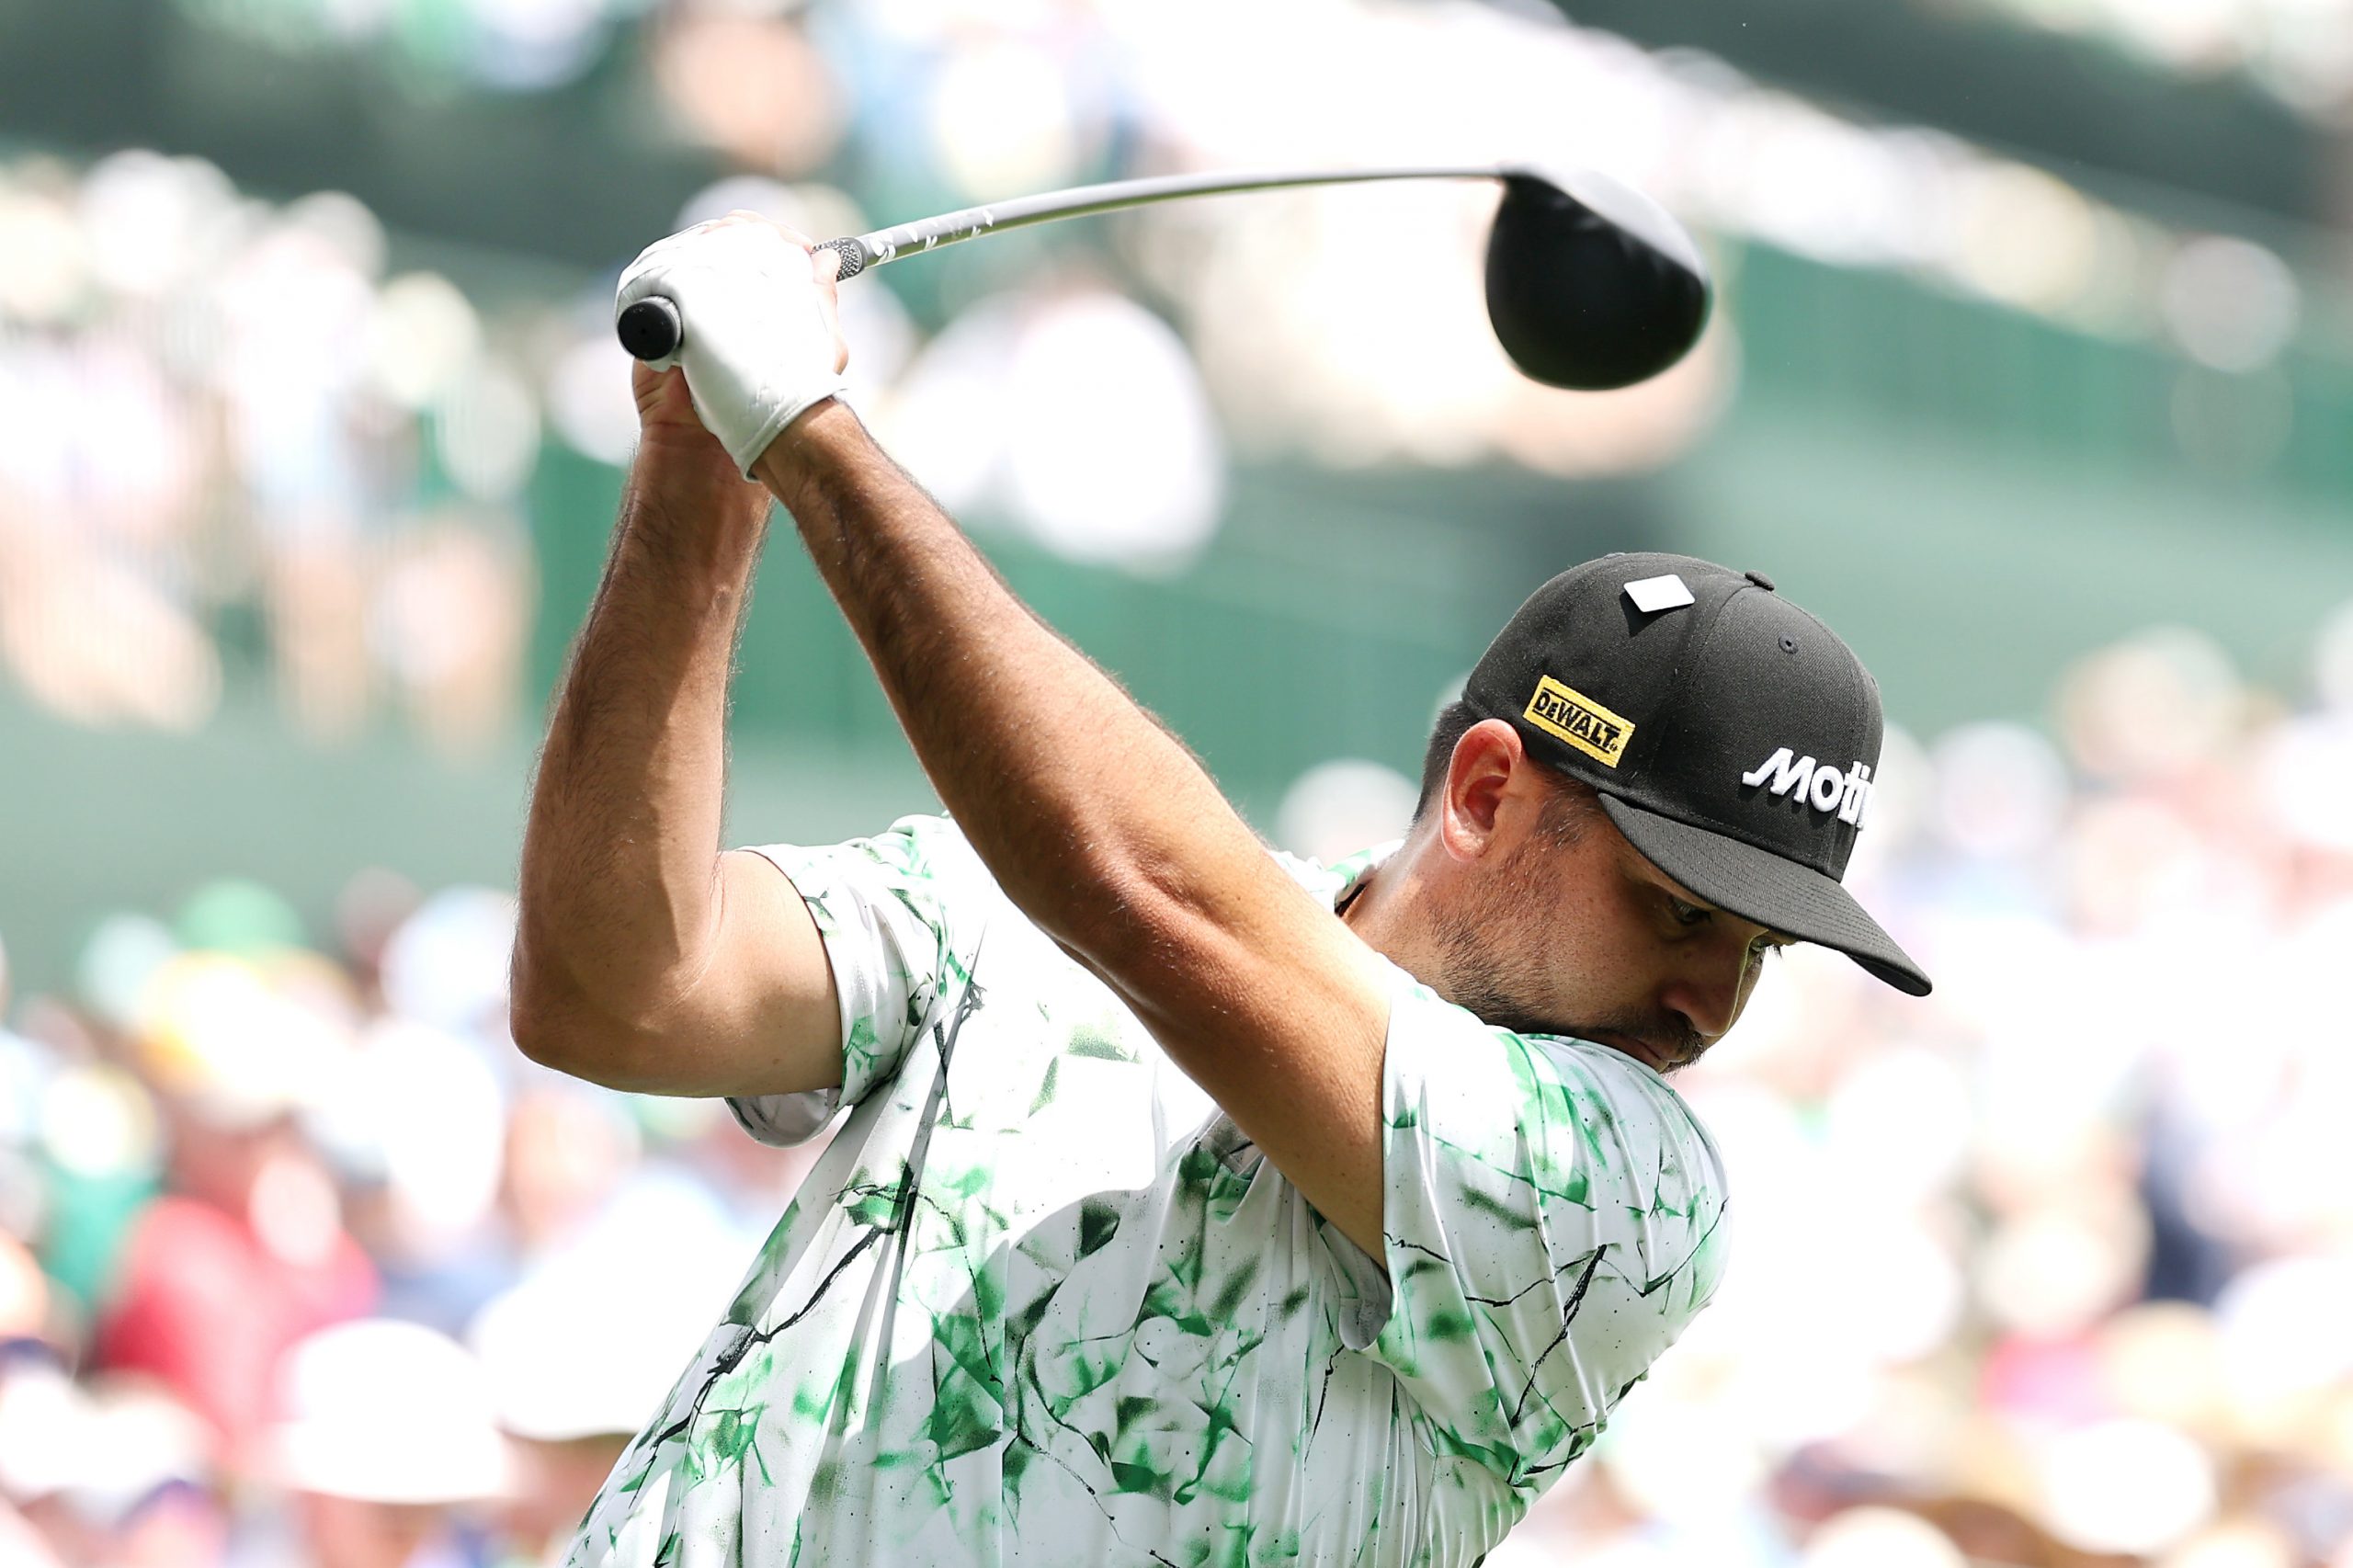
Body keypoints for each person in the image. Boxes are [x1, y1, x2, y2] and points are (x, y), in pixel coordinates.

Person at [508, 216, 1931, 1567]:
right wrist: (697, 466)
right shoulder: (1011, 907)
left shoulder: (1636, 1198)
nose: (1707, 1005)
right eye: (1681, 910)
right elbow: (615, 996)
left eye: (1758, 954)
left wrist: (806, 438)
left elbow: (1142, 895)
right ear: (1489, 794)